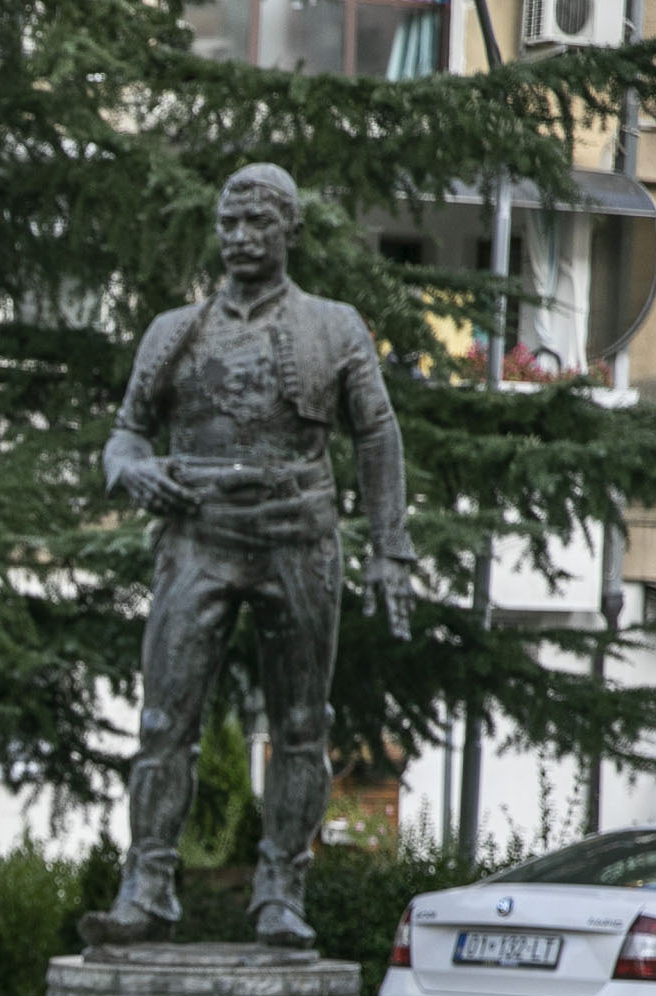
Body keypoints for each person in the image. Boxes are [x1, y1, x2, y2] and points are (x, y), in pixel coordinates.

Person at [81, 162, 415, 952]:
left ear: (289, 230)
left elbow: (378, 432)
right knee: (165, 718)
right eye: (228, 223)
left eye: (256, 222)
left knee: (301, 724)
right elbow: (125, 431)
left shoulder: (334, 327)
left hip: (298, 537)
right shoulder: (176, 331)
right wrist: (129, 468)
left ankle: (280, 891)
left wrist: (389, 548)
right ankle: (149, 885)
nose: (238, 237)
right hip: (197, 536)